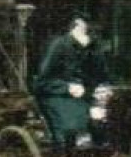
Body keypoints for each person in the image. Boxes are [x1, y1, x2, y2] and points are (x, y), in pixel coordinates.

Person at [34, 15, 107, 148]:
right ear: (78, 24)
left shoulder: (93, 48)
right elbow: (41, 83)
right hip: (57, 97)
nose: (92, 34)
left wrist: (101, 90)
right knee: (73, 130)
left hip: (85, 98)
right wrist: (67, 87)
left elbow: (100, 77)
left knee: (106, 125)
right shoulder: (59, 46)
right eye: (88, 29)